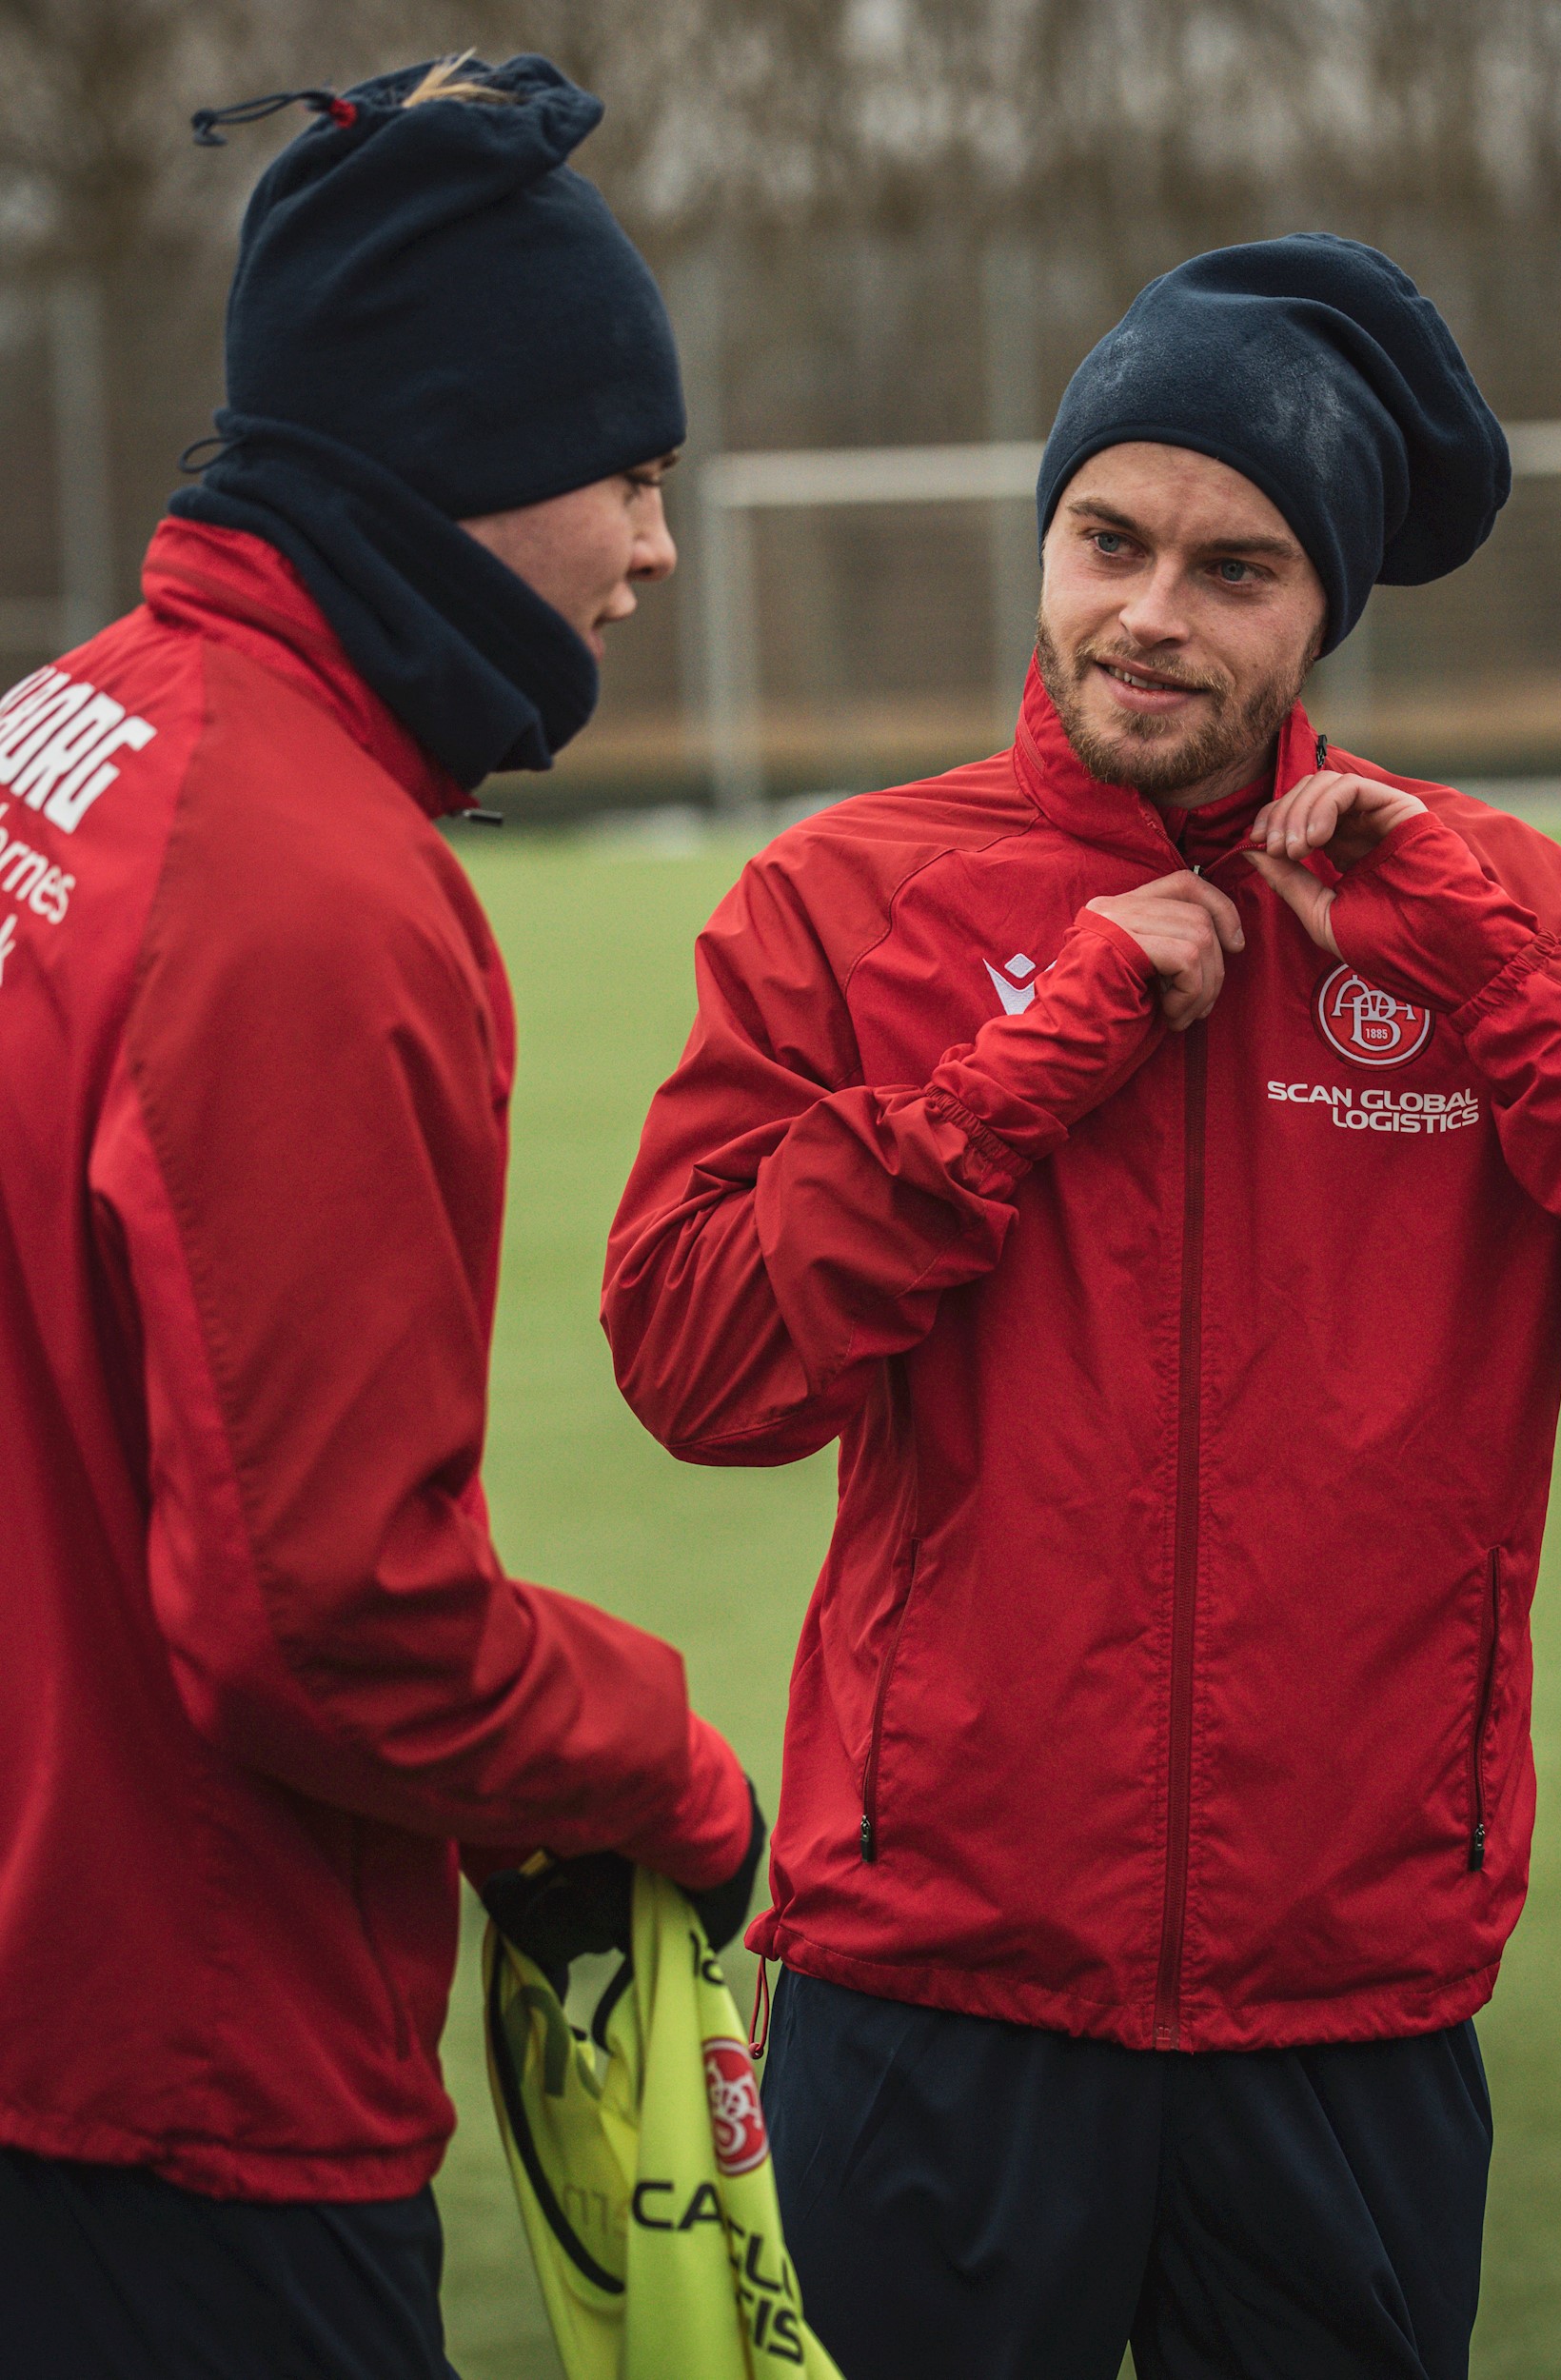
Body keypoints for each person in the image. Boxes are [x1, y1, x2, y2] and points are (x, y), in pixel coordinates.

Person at [603, 236, 1561, 2380]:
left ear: (1323, 609)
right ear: (1048, 541)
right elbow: (700, 1363)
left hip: (1346, 2001)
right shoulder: (847, 901)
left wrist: (1488, 977)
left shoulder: (1502, 913)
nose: (1151, 613)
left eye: (1236, 567)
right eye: (1109, 539)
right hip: (930, 1977)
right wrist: (1041, 1052)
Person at [0, 53, 761, 2380]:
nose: (653, 550)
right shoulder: (312, 890)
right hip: (173, 2074)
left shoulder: (69, 724)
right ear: (457, 460)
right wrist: (662, 1757)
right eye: (630, 476)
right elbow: (326, 1619)